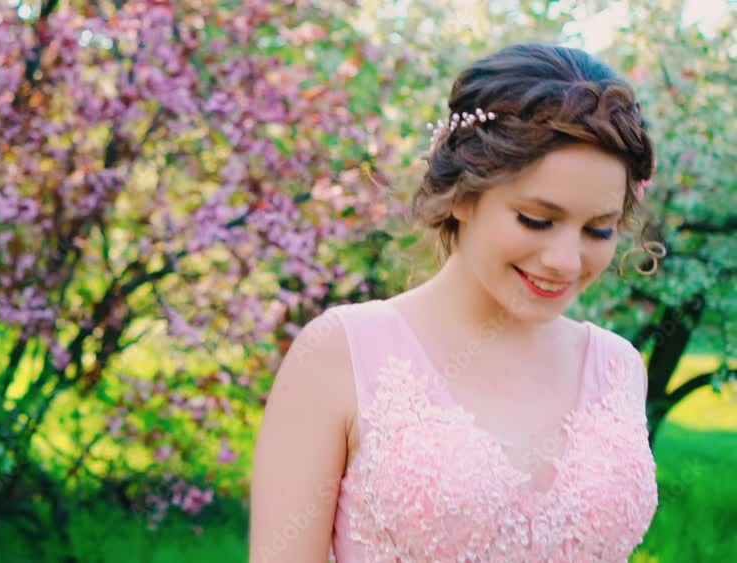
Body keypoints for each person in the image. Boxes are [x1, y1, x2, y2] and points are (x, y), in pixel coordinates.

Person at [249, 43, 661, 562]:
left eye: (598, 230)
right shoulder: (340, 354)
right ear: (464, 195)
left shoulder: (619, 368)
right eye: (536, 220)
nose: (565, 260)